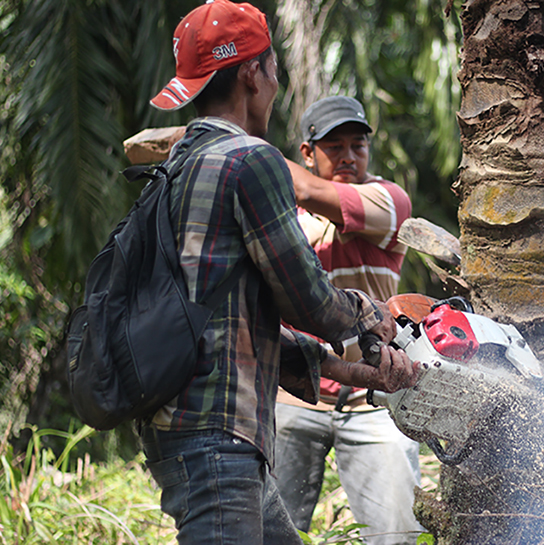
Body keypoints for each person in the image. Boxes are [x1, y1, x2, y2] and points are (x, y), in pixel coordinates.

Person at [141, 2, 418, 544]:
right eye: (272, 69)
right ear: (253, 73)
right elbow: (308, 301)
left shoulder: (178, 165)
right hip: (220, 431)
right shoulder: (251, 163)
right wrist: (373, 318)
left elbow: (241, 317)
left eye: (356, 144)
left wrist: (359, 373)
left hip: (189, 419)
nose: (276, 82)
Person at [273, 96, 423, 545]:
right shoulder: (284, 220)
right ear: (307, 153)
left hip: (373, 401)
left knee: (395, 535)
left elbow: (307, 192)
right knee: (269, 532)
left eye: (357, 145)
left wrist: (232, 146)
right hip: (294, 398)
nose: (348, 156)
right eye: (334, 146)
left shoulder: (387, 201)